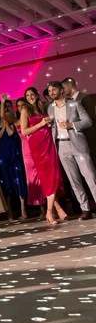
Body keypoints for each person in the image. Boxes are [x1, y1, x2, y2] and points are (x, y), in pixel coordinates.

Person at [47, 81, 96, 220]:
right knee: (74, 180)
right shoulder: (50, 108)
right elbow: (53, 126)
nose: (51, 93)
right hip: (62, 146)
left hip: (78, 145)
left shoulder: (74, 103)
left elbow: (88, 121)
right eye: (49, 91)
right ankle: (85, 209)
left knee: (90, 177)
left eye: (53, 90)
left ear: (61, 90)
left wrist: (71, 125)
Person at [20, 87, 66, 225]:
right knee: (48, 177)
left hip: (48, 143)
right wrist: (41, 124)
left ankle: (58, 209)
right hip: (37, 146)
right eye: (27, 95)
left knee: (53, 176)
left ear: (36, 95)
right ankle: (49, 212)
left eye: (32, 94)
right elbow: (24, 131)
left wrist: (48, 123)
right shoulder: (25, 110)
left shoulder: (41, 106)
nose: (30, 97)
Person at [0, 96, 27, 220]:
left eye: (2, 107)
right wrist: (3, 125)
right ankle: (10, 212)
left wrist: (7, 123)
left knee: (19, 180)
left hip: (14, 153)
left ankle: (23, 210)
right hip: (3, 155)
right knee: (6, 183)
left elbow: (11, 133)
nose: (0, 110)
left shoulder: (13, 121)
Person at [15, 98, 44, 217]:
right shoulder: (16, 121)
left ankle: (49, 206)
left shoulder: (32, 116)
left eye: (23, 104)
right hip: (26, 150)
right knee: (33, 178)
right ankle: (41, 207)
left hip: (36, 145)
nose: (21, 107)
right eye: (18, 106)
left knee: (42, 175)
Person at [62, 77, 96, 160]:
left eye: (64, 88)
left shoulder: (85, 98)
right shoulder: (68, 101)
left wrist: (72, 125)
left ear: (70, 86)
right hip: (80, 138)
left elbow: (90, 118)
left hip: (90, 136)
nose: (62, 91)